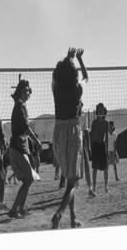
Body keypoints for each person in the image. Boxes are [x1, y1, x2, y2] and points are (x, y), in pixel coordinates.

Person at [51, 48, 88, 229]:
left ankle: (73, 218)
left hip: (58, 132)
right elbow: (85, 77)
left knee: (70, 178)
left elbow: (54, 78)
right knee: (72, 182)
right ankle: (59, 214)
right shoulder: (77, 90)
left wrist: (67, 59)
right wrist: (79, 60)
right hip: (73, 130)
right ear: (73, 75)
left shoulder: (56, 90)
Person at [8, 80, 41, 219]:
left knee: (29, 179)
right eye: (26, 90)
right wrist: (37, 141)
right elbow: (26, 129)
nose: (29, 92)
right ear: (21, 91)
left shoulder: (20, 106)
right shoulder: (20, 106)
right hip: (18, 147)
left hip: (20, 147)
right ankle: (15, 209)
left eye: (29, 90)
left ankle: (19, 208)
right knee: (28, 179)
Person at [91, 103, 109, 194]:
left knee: (105, 168)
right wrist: (91, 147)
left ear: (104, 111)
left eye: (102, 110)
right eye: (99, 110)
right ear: (97, 111)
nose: (100, 111)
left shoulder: (106, 123)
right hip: (95, 146)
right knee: (95, 168)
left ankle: (106, 187)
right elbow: (91, 136)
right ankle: (94, 187)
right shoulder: (94, 123)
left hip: (102, 146)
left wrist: (107, 149)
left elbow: (107, 137)